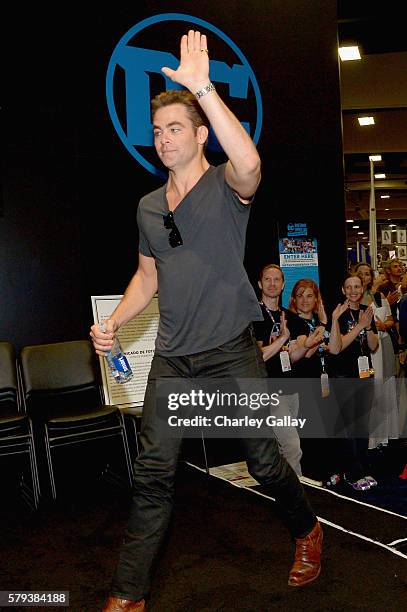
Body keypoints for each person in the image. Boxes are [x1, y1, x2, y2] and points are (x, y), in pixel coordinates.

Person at [90, 31, 322, 612]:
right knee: (153, 474)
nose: (164, 138)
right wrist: (113, 322)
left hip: (229, 350)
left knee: (264, 460)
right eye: (158, 130)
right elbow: (147, 278)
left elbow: (251, 162)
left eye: (176, 128)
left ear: (199, 135)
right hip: (173, 357)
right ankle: (128, 596)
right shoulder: (147, 206)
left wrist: (202, 88)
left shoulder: (226, 185)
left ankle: (307, 529)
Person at [253, 265, 325, 476]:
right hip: (269, 392)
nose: (272, 283)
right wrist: (283, 339)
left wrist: (306, 345)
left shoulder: (289, 317)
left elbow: (292, 356)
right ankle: (296, 496)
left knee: (281, 448)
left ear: (283, 284)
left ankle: (278, 490)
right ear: (260, 284)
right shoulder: (254, 315)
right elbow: (260, 357)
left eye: (277, 279)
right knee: (292, 446)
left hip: (291, 390)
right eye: (268, 279)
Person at [287, 279, 345, 483]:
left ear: (317, 299)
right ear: (293, 299)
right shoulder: (292, 321)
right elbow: (308, 350)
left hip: (324, 382)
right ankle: (311, 477)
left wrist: (333, 320)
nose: (305, 300)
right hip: (304, 384)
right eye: (300, 295)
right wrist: (322, 324)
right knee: (310, 434)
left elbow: (336, 348)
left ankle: (328, 473)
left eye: (309, 295)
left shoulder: (318, 322)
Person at [329, 273, 379, 490]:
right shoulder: (339, 313)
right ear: (343, 290)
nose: (353, 291)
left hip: (364, 375)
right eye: (348, 287)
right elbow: (337, 347)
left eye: (357, 286)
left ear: (362, 288)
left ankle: (362, 469)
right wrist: (358, 326)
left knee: (362, 426)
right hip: (343, 376)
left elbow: (374, 345)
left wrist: (367, 327)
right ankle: (352, 473)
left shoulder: (367, 312)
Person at [354, 263, 399, 450]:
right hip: (365, 351)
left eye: (367, 274)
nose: (364, 277)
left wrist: (384, 326)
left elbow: (390, 320)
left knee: (383, 390)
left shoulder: (379, 297)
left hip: (383, 348)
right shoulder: (353, 301)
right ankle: (370, 438)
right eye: (360, 274)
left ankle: (383, 437)